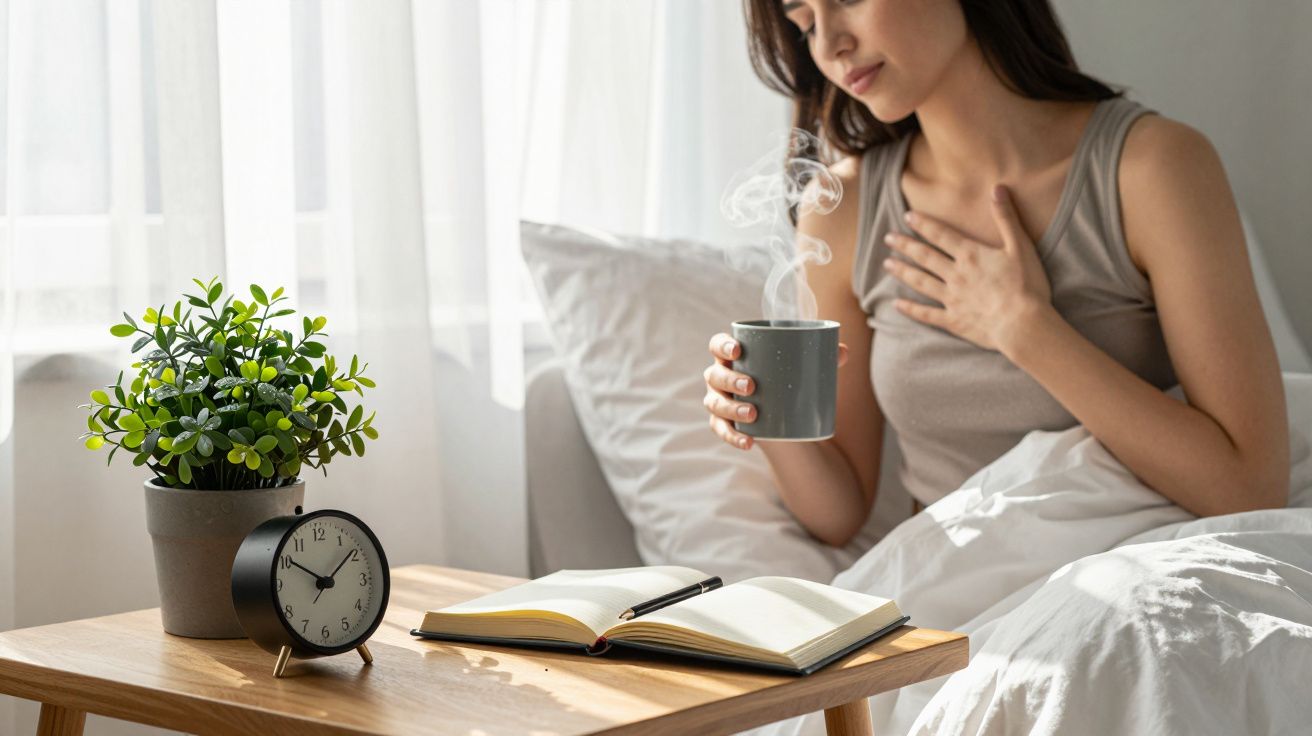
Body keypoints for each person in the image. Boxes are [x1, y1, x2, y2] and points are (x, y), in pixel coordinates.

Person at [703, 0, 1289, 547]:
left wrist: (1026, 330)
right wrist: (760, 410)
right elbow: (839, 513)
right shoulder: (843, 209)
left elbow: (1248, 488)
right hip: (957, 609)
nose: (830, 44)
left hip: (1135, 584)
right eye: (805, 23)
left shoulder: (1154, 168)